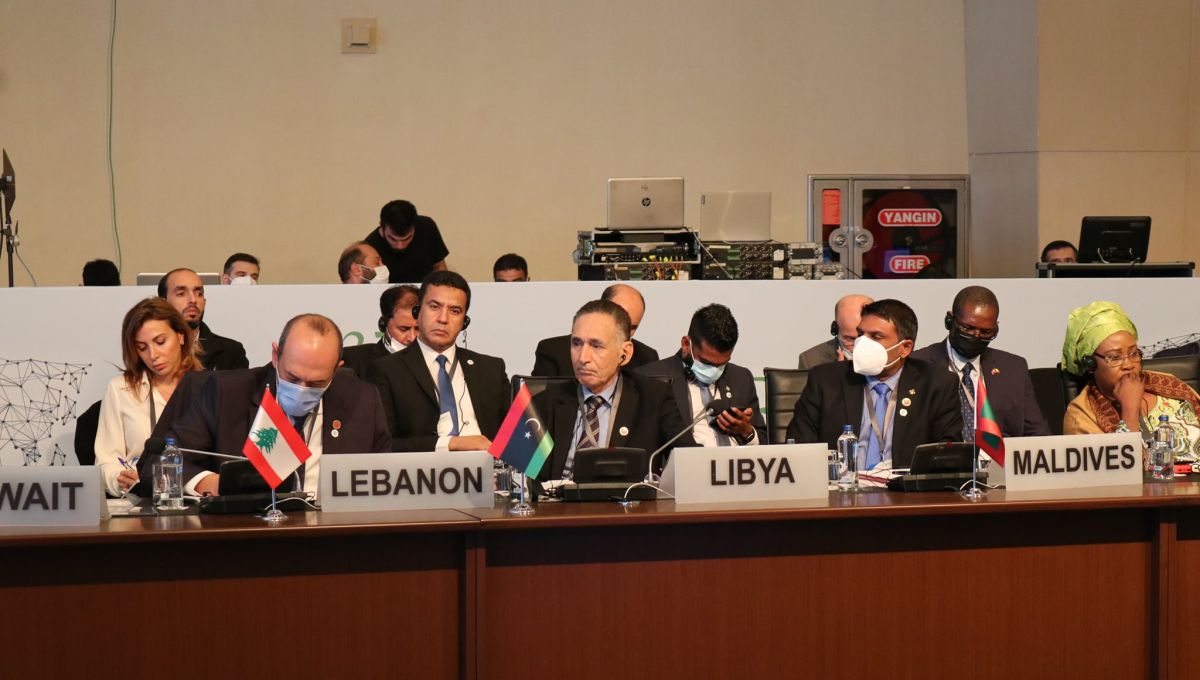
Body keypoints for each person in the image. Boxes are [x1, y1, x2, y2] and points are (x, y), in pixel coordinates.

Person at [144, 314, 391, 496]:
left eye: (316, 382)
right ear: (275, 356)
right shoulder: (227, 394)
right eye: (292, 377)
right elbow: (155, 462)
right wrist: (209, 482)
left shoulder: (363, 401)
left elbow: (384, 481)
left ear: (336, 370)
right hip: (249, 534)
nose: (302, 388)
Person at [786, 299, 963, 469]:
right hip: (842, 486)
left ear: (905, 348)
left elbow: (946, 455)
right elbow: (799, 448)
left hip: (904, 488)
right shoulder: (825, 380)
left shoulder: (937, 384)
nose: (862, 343)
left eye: (876, 337)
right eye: (861, 334)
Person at [533, 300, 693, 481]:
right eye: (576, 343)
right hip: (559, 499)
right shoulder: (543, 403)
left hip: (628, 499)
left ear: (625, 353)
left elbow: (689, 462)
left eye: (596, 346)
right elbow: (517, 479)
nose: (583, 357)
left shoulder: (654, 398)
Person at [367, 271, 509, 452]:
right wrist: (451, 443)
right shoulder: (387, 370)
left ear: (464, 322)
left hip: (487, 466)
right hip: (422, 469)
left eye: (455, 311)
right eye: (434, 307)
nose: (443, 319)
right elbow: (383, 444)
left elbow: (517, 438)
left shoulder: (491, 369)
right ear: (417, 312)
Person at [94, 298, 203, 496]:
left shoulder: (207, 387)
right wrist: (120, 478)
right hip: (141, 501)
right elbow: (105, 462)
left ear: (181, 336)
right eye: (142, 347)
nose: (153, 355)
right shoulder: (120, 389)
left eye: (160, 342)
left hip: (199, 501)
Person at [1061, 302, 1200, 457]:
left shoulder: (1170, 384)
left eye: (1133, 354)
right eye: (1115, 357)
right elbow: (1121, 468)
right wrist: (1129, 409)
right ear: (1090, 365)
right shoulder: (1080, 416)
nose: (1128, 365)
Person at [911, 285, 1050, 438]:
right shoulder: (918, 365)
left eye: (986, 332)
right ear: (950, 320)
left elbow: (1037, 433)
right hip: (943, 452)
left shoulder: (1014, 368)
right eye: (968, 328)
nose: (976, 336)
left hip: (999, 452)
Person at [636, 303, 766, 446]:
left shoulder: (741, 378)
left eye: (722, 364)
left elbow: (765, 442)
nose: (714, 370)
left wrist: (747, 432)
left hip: (736, 460)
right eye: (706, 362)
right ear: (686, 344)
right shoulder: (650, 379)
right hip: (685, 459)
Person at [532, 283, 660, 376]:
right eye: (619, 324)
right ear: (601, 309)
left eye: (632, 328)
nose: (624, 332)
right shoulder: (553, 353)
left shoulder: (646, 358)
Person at [158, 268, 249, 371]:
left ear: (204, 302)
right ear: (163, 303)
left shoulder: (231, 352)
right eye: (181, 294)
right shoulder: (150, 350)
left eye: (199, 294)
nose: (193, 300)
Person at [342, 284, 420, 379]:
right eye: (403, 329)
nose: (412, 337)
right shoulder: (355, 359)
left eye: (418, 329)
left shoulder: (434, 360)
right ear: (383, 324)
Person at [363, 199, 449, 283]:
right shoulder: (369, 247)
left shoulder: (427, 227)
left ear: (415, 226)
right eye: (393, 239)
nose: (400, 246)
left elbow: (439, 267)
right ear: (382, 226)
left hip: (426, 290)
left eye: (407, 238)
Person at [797, 294, 873, 370]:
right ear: (835, 329)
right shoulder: (812, 361)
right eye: (850, 338)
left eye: (864, 337)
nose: (859, 344)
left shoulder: (881, 354)